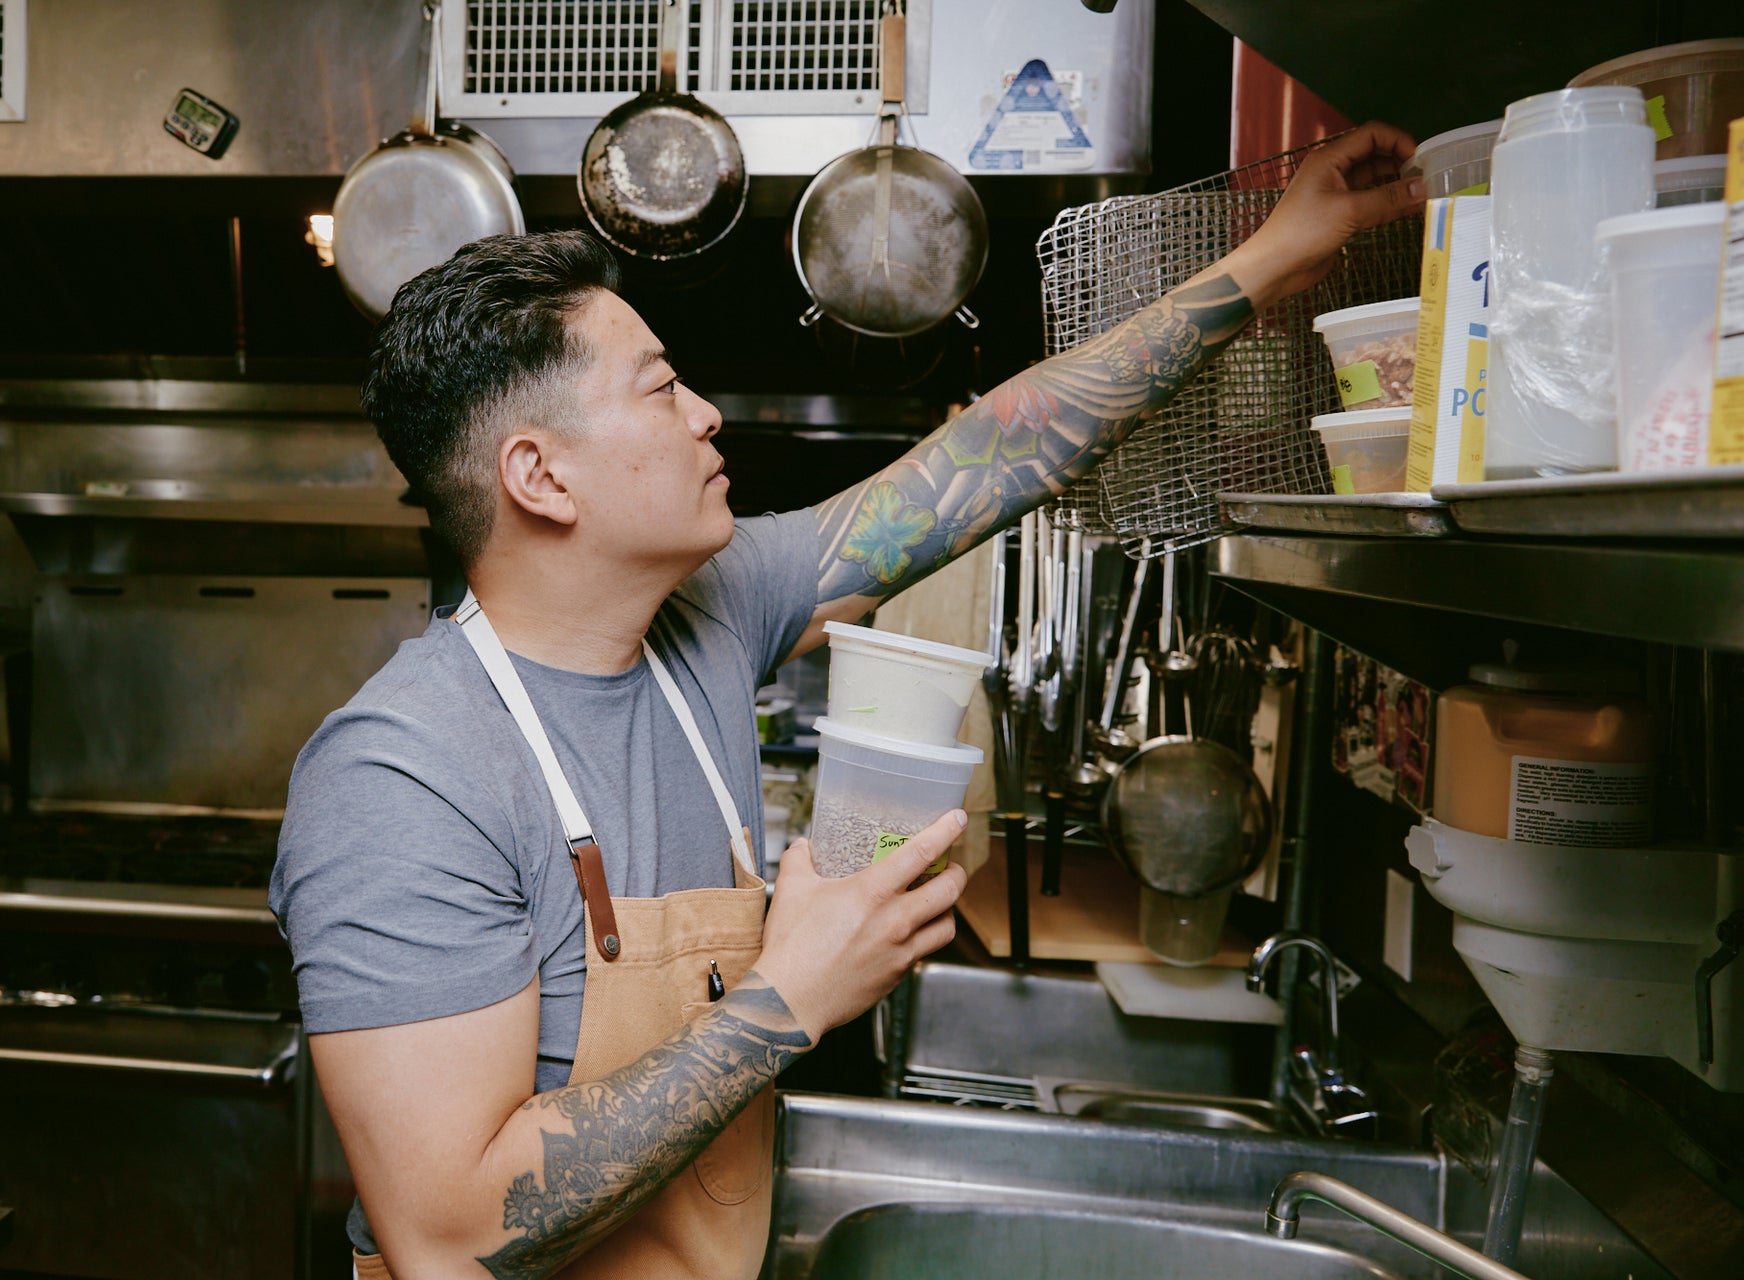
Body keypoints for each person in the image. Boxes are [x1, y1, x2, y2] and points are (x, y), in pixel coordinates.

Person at [270, 122, 1424, 1280]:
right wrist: (788, 996)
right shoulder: (401, 775)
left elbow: (995, 453)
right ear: (541, 476)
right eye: (663, 388)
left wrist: (1274, 256)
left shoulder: (709, 614)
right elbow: (453, 1225)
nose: (706, 414)